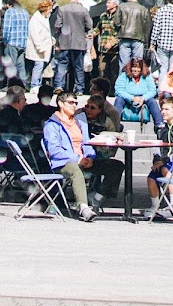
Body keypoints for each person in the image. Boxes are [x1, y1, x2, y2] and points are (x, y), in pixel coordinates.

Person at [43, 92, 124, 220]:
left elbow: (86, 143)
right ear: (60, 104)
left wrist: (90, 156)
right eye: (71, 103)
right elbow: (55, 151)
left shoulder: (79, 121)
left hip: (83, 160)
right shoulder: (52, 125)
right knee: (75, 170)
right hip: (64, 162)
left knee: (116, 166)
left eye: (76, 103)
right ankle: (84, 208)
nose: (74, 106)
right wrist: (78, 158)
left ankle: (97, 198)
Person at [145, 97, 173, 218]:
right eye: (162, 109)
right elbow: (157, 145)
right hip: (164, 163)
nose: (163, 112)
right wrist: (157, 158)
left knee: (166, 170)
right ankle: (155, 207)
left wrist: (168, 160)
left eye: (167, 109)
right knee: (151, 178)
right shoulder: (161, 128)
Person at [53, 0, 93, 95]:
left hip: (64, 42)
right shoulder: (83, 10)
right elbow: (88, 26)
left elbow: (57, 26)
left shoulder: (62, 9)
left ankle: (59, 85)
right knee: (78, 67)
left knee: (62, 64)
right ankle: (79, 89)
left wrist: (58, 37)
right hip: (79, 42)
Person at [114, 58, 165, 135]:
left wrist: (143, 98)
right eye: (134, 67)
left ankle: (159, 125)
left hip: (143, 97)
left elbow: (152, 90)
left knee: (152, 101)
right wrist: (131, 98)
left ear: (141, 68)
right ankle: (115, 124)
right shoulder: (123, 76)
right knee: (119, 100)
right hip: (127, 98)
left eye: (138, 67)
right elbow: (119, 90)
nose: (136, 70)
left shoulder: (147, 76)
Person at [149, 0, 173, 87]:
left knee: (163, 68)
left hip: (163, 44)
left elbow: (156, 29)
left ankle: (162, 90)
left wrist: (152, 43)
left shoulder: (160, 11)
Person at [114, 0, 151, 72]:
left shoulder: (121, 6)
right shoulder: (144, 9)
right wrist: (145, 40)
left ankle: (123, 83)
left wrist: (120, 30)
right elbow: (147, 26)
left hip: (124, 37)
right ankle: (136, 83)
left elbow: (116, 22)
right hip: (138, 38)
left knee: (123, 64)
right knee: (137, 64)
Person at [25, 0, 54, 92]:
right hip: (38, 48)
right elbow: (35, 35)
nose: (51, 11)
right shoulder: (36, 20)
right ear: (46, 9)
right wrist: (40, 47)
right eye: (50, 9)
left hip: (44, 47)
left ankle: (36, 84)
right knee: (38, 65)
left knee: (40, 66)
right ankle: (34, 85)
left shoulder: (43, 19)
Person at [1, 0, 28, 83]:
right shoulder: (24, 12)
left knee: (11, 67)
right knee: (21, 66)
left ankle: (11, 85)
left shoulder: (10, 12)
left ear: (8, 4)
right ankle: (23, 85)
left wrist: (5, 41)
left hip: (12, 43)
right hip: (23, 44)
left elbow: (7, 28)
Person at [94, 0, 120, 86]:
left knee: (114, 70)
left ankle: (113, 89)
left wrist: (112, 43)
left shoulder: (119, 17)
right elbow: (98, 28)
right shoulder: (103, 16)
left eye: (109, 3)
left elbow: (121, 33)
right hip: (103, 48)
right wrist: (93, 34)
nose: (107, 4)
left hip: (115, 50)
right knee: (102, 69)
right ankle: (103, 88)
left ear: (115, 5)